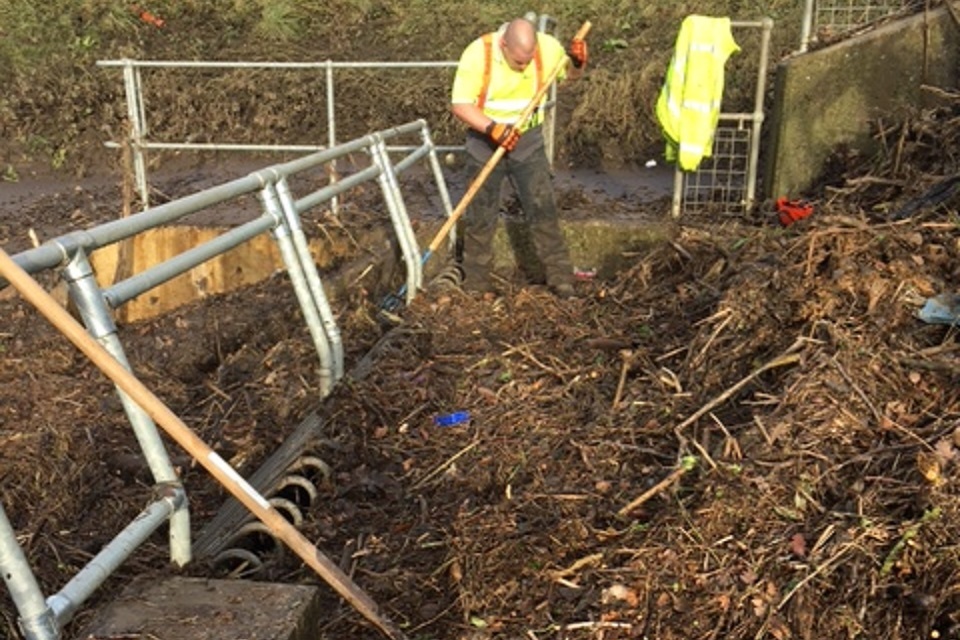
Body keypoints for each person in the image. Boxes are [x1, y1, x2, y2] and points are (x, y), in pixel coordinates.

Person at [450, 17, 588, 298]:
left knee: (543, 207)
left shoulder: (547, 47)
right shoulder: (478, 54)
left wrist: (577, 63)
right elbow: (460, 104)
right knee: (480, 214)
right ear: (504, 45)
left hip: (527, 139)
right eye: (518, 62)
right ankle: (476, 283)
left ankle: (561, 278)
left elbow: (568, 77)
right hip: (485, 138)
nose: (524, 67)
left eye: (528, 61)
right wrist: (493, 128)